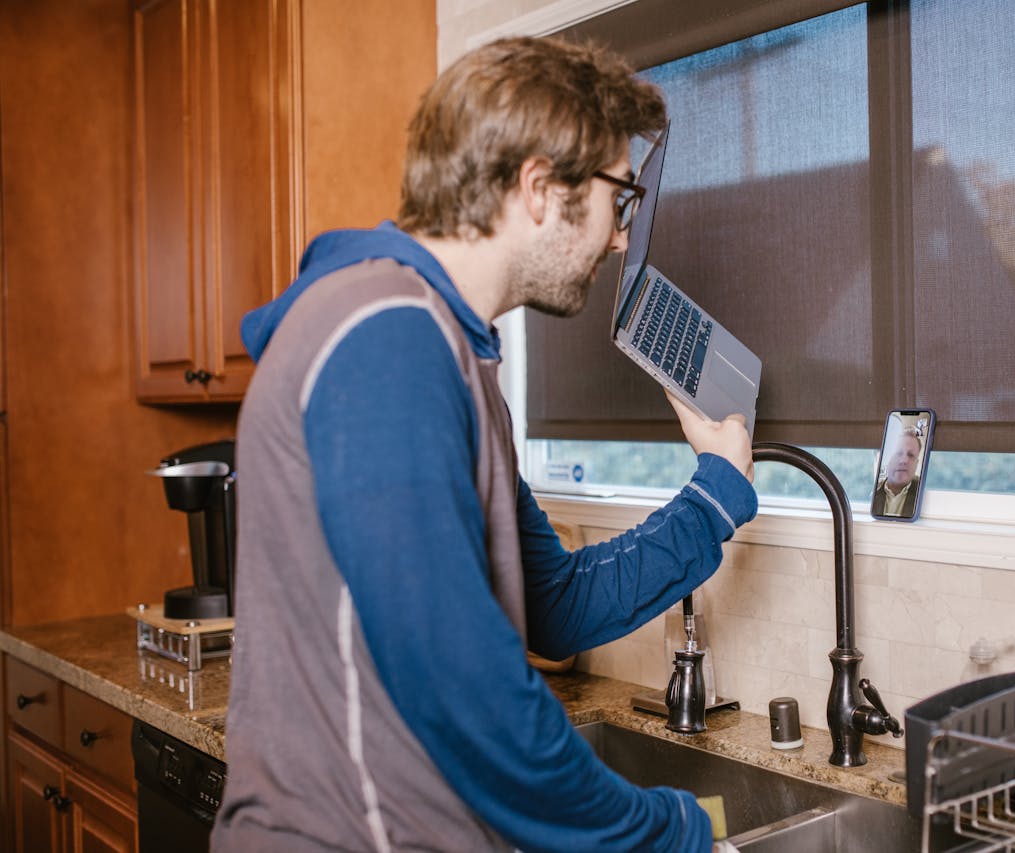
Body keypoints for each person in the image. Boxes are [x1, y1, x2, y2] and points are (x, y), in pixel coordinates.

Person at [212, 36, 757, 853]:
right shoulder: (388, 340)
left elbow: (554, 606)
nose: (620, 238)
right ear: (539, 187)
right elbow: (472, 698)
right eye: (621, 196)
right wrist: (669, 833)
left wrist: (713, 493)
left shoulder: (446, 352)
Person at [871, 430, 923, 518]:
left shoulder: (922, 494)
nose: (904, 461)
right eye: (898, 453)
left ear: (916, 464)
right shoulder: (874, 493)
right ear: (887, 458)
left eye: (910, 455)